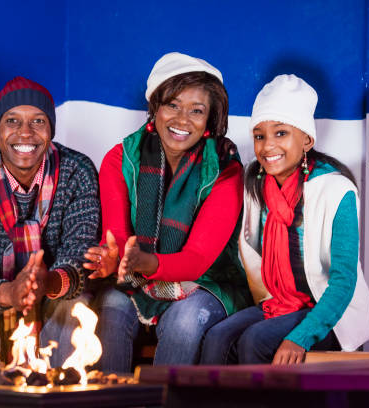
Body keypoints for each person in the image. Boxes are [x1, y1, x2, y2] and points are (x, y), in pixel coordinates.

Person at [84, 52, 252, 372]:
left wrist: (142, 262)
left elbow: (198, 258)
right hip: (136, 278)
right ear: (155, 107)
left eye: (196, 110)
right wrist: (112, 257)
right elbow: (117, 238)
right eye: (172, 105)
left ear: (210, 120)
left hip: (207, 281)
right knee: (110, 310)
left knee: (185, 323)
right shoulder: (120, 159)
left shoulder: (225, 169)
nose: (182, 119)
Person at [200, 74, 369, 365]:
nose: (268, 146)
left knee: (256, 341)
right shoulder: (254, 183)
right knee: (217, 338)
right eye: (259, 135)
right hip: (278, 302)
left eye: (281, 133)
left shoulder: (337, 190)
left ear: (306, 139)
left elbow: (343, 282)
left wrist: (299, 337)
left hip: (327, 309)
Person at [0, 77, 100, 367]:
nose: (25, 133)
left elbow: (82, 256)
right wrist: (11, 292)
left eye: (38, 121)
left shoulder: (78, 171)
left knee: (74, 310)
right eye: (12, 121)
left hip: (54, 293)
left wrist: (46, 282)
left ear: (50, 129)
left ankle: (64, 398)